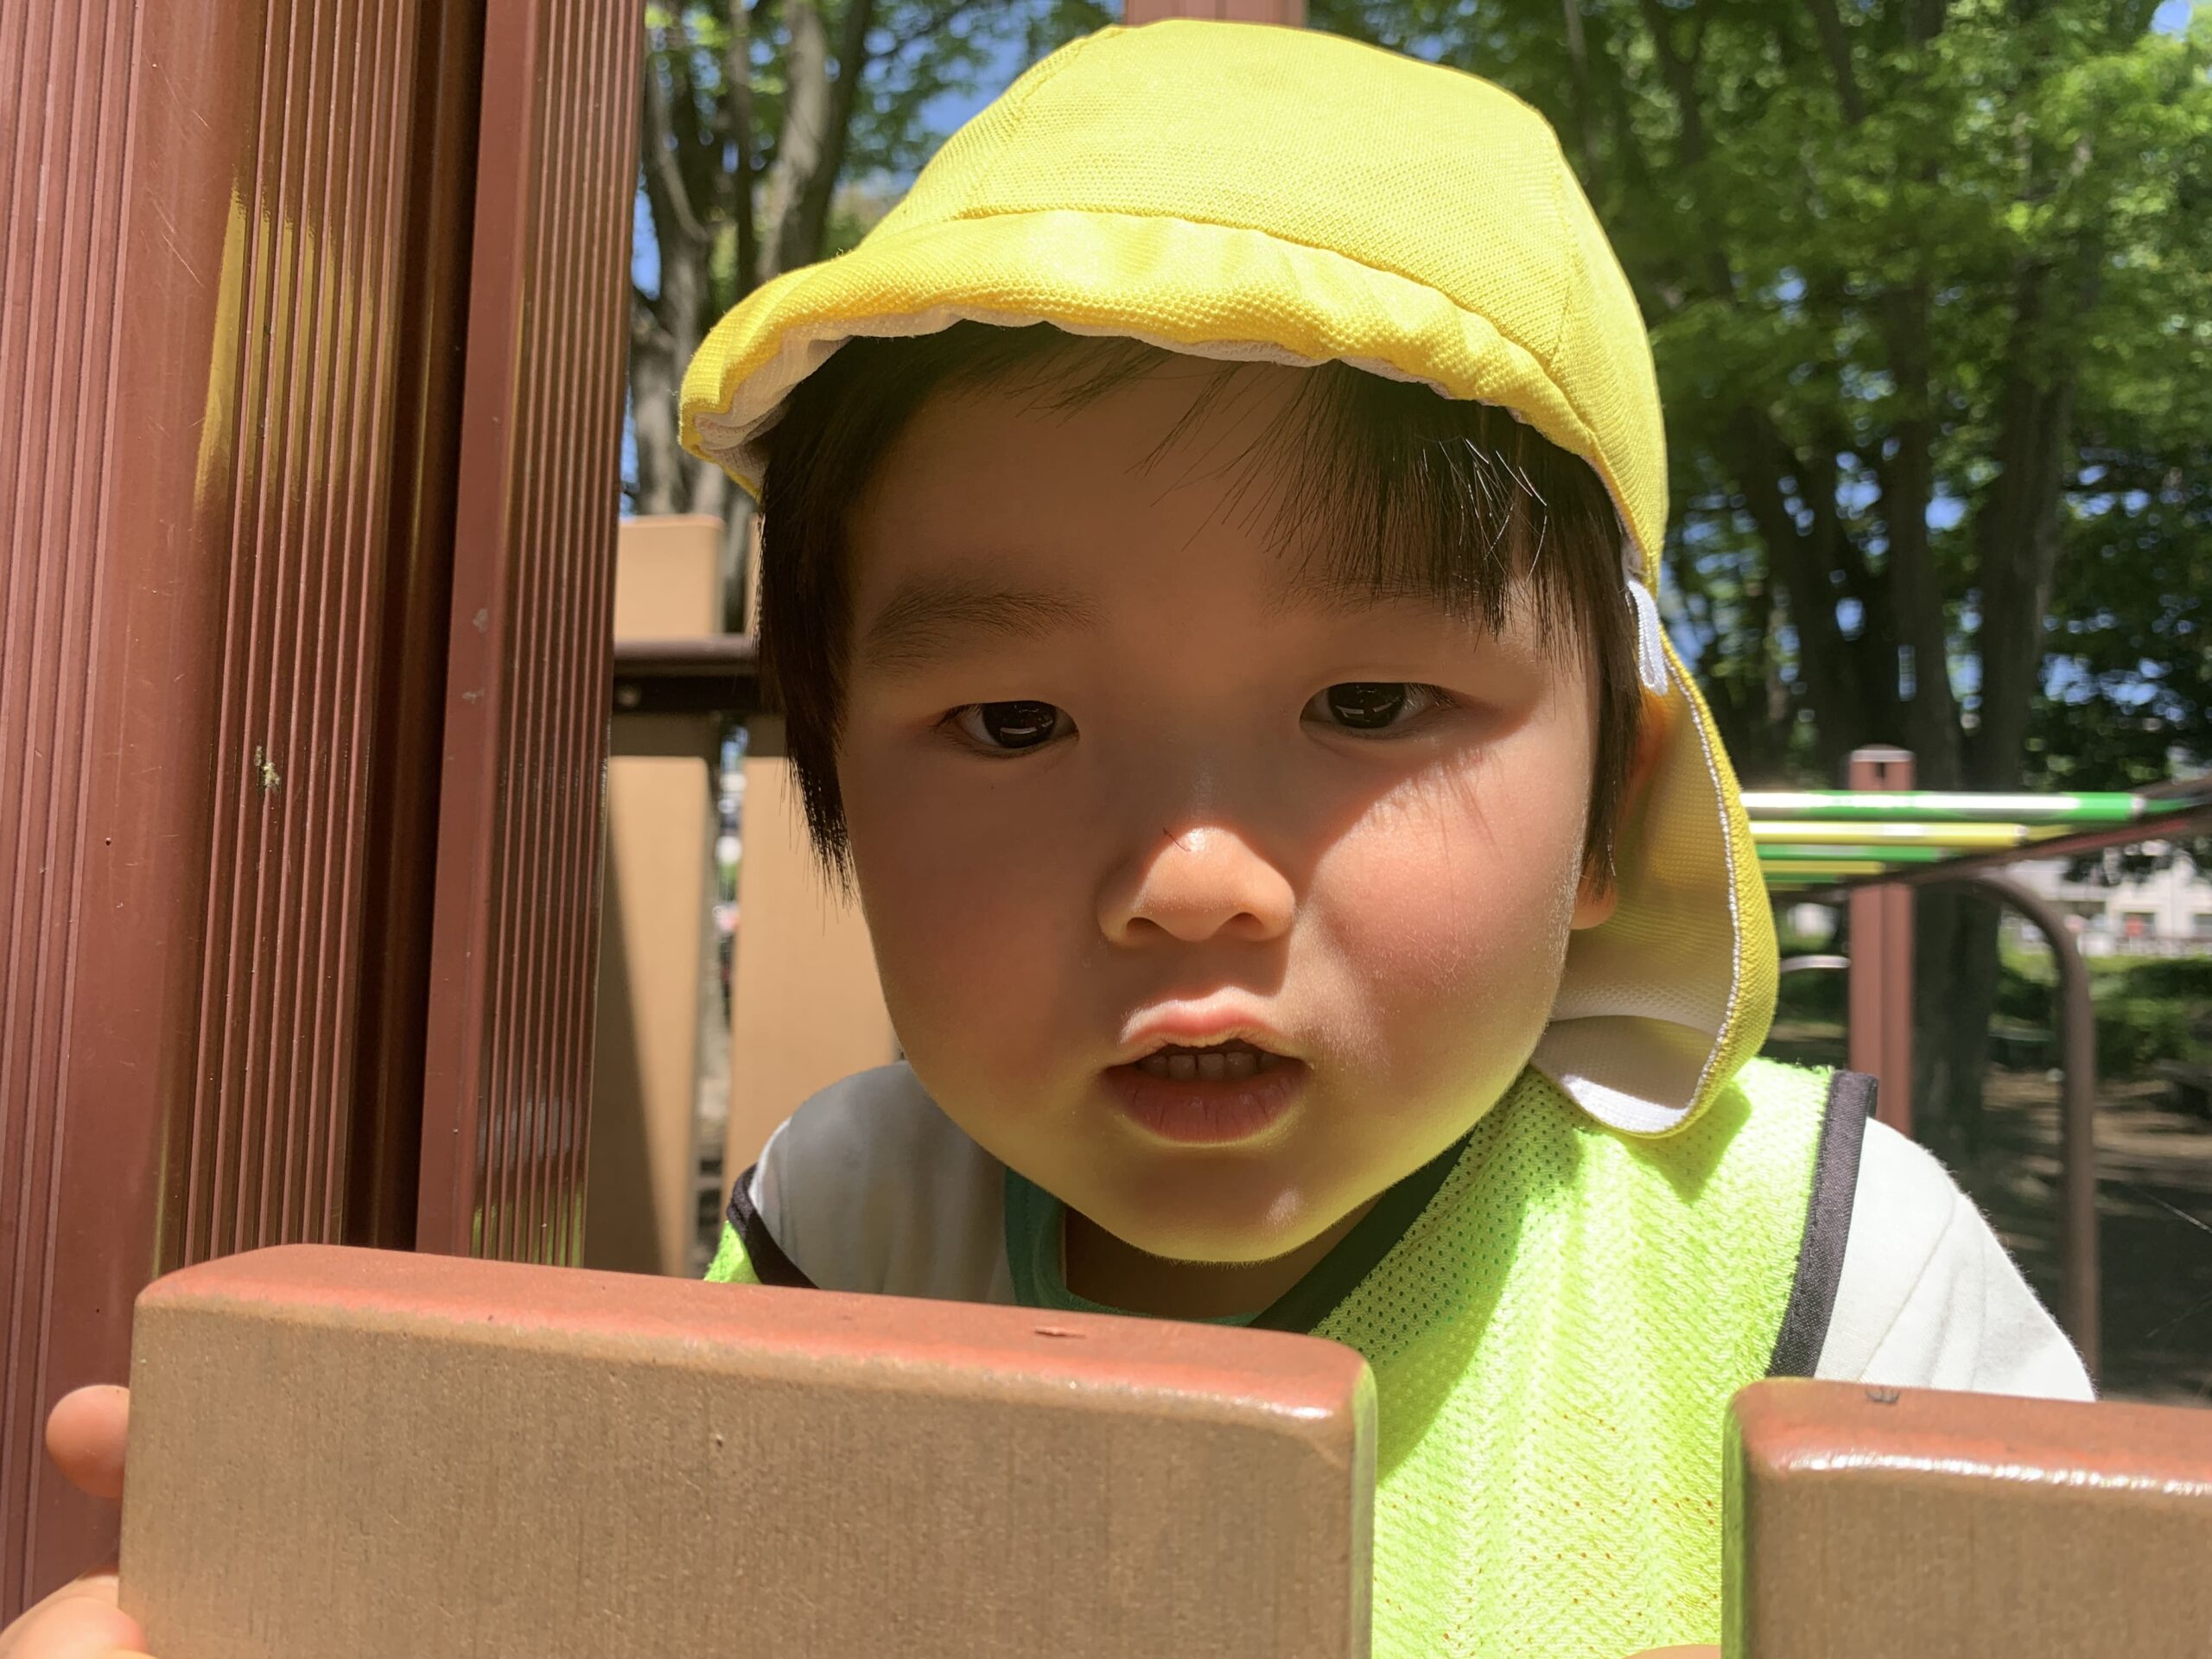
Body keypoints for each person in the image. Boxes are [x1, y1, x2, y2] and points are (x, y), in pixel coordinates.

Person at [5, 21, 2087, 1659]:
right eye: (1008, 719)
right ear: (833, 788)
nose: (1190, 873)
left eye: (1367, 707)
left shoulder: (1822, 1277)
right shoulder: (851, 1231)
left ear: (1613, 811)